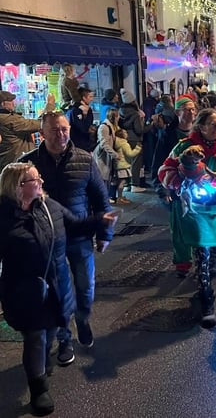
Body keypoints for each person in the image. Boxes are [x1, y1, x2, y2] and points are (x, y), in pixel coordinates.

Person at [0, 163, 118, 416]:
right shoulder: (3, 218)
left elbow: (75, 225)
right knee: (35, 336)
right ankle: (38, 388)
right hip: (24, 290)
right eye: (34, 179)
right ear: (18, 187)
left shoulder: (49, 207)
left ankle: (41, 363)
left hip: (57, 283)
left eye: (39, 176)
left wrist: (100, 221)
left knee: (52, 329)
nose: (41, 181)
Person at [19, 111, 114, 366]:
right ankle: (64, 339)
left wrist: (105, 234)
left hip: (80, 235)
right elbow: (18, 203)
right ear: (42, 133)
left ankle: (83, 318)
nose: (61, 134)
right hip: (49, 242)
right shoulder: (29, 165)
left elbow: (100, 200)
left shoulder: (85, 160)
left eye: (64, 129)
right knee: (60, 293)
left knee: (85, 288)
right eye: (54, 130)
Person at [158, 108, 216, 328]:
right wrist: (180, 184)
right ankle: (206, 298)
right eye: (213, 124)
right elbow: (164, 171)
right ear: (201, 126)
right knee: (201, 251)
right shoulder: (184, 146)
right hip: (194, 210)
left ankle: (204, 274)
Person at [151, 95, 197, 278]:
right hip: (177, 189)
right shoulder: (168, 136)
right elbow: (157, 165)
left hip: (199, 188)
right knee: (179, 228)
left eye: (193, 109)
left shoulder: (201, 133)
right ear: (178, 112)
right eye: (187, 109)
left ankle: (204, 259)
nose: (191, 112)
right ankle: (183, 263)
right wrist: (163, 190)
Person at [0, 91, 56, 171]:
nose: (13, 103)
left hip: (9, 161)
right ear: (3, 104)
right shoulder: (8, 119)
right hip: (17, 163)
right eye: (11, 101)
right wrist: (50, 105)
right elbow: (39, 124)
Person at [119, 88, 151, 192]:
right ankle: (135, 184)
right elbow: (139, 130)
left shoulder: (121, 111)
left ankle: (127, 184)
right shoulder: (135, 114)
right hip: (135, 140)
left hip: (125, 139)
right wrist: (151, 126)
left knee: (127, 162)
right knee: (136, 163)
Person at [93, 108, 120, 202]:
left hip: (107, 155)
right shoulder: (104, 127)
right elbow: (103, 143)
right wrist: (114, 154)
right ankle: (102, 198)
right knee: (102, 177)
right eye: (118, 116)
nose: (119, 118)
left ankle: (107, 196)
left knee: (107, 176)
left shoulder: (111, 126)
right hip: (103, 155)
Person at [113, 128, 142, 205]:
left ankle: (119, 196)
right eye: (125, 132)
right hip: (123, 165)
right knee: (122, 182)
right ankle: (119, 198)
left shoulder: (117, 143)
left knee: (120, 182)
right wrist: (137, 148)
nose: (127, 134)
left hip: (119, 165)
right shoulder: (124, 144)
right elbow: (130, 154)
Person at [66, 87, 96, 152]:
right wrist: (86, 114)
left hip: (84, 143)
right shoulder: (75, 110)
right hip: (79, 145)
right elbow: (83, 127)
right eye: (90, 97)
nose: (92, 99)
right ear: (84, 98)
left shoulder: (86, 109)